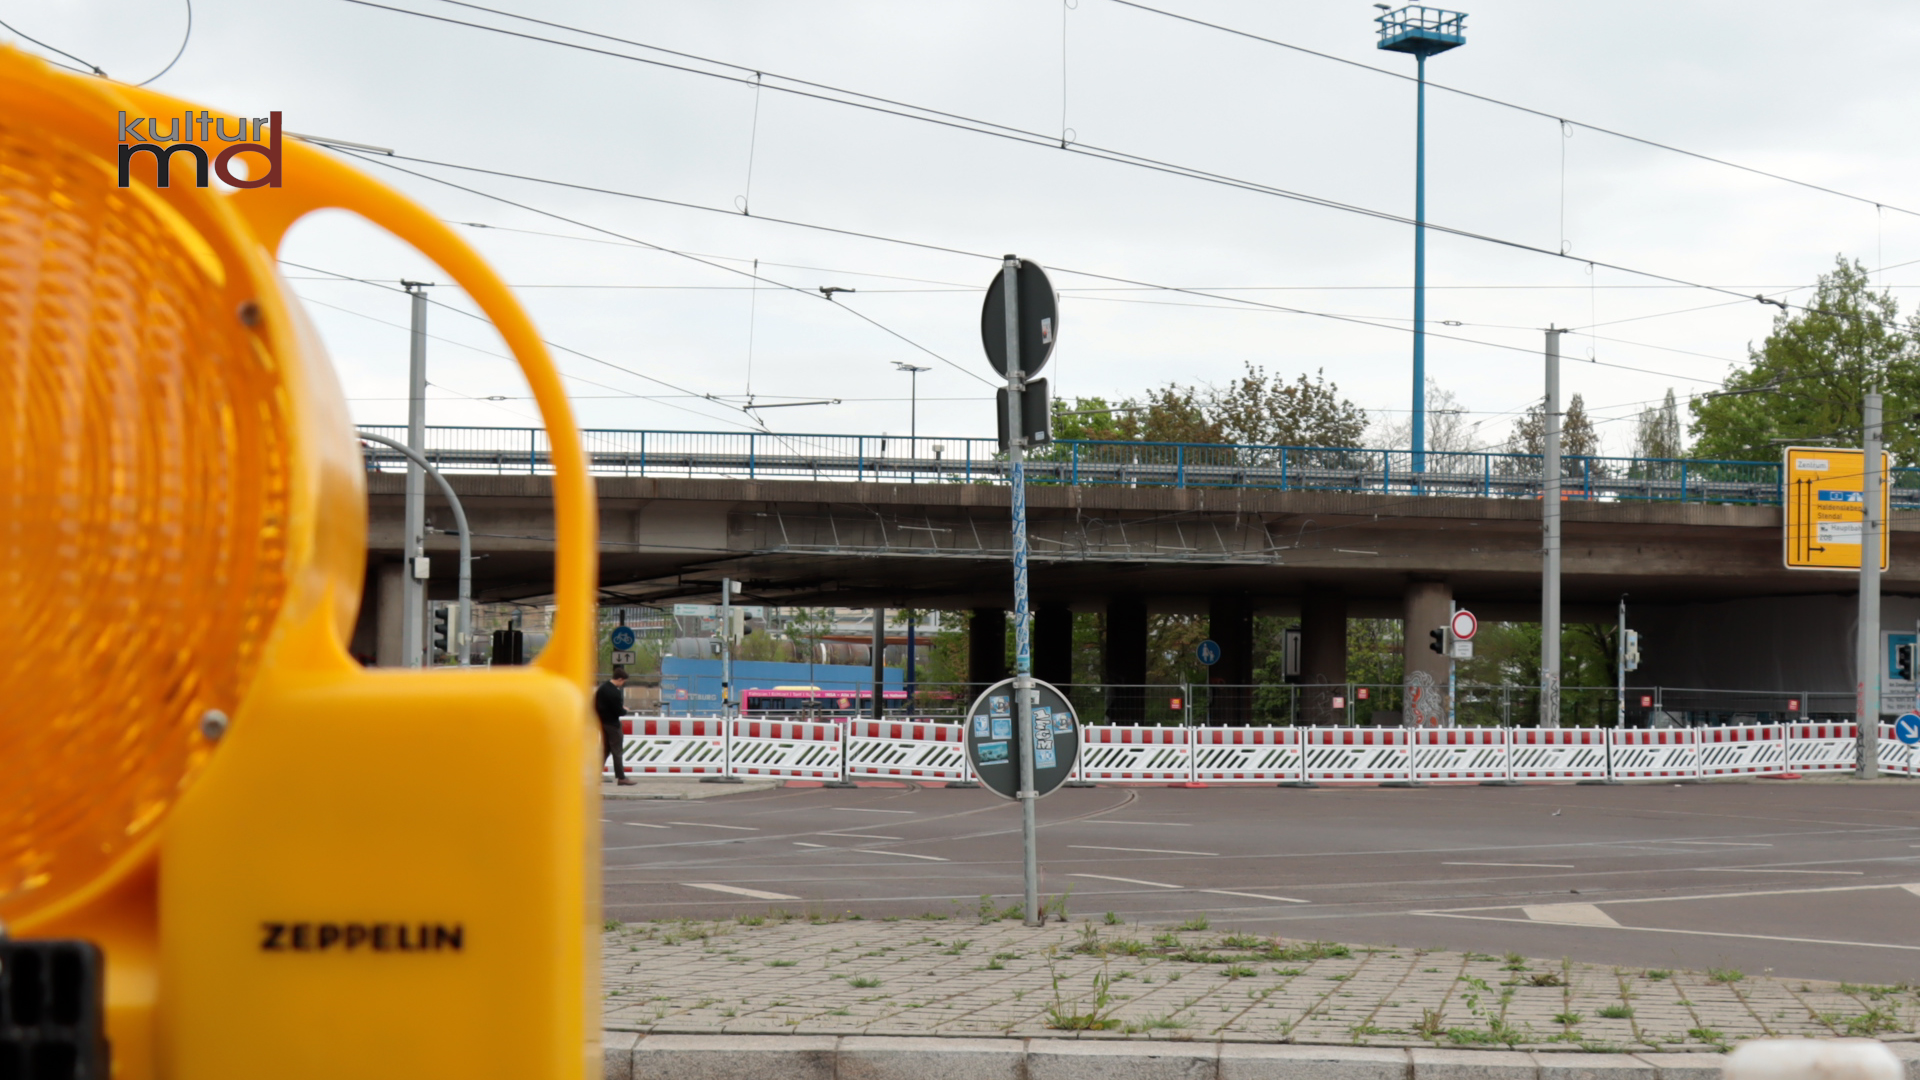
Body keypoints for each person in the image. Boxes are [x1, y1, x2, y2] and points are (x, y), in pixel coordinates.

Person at [597, 666, 637, 786]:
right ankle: (621, 777)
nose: (623, 684)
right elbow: (618, 711)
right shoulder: (615, 693)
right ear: (620, 679)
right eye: (623, 681)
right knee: (617, 751)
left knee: (605, 750)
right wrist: (625, 710)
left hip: (602, 723)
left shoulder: (603, 688)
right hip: (613, 725)